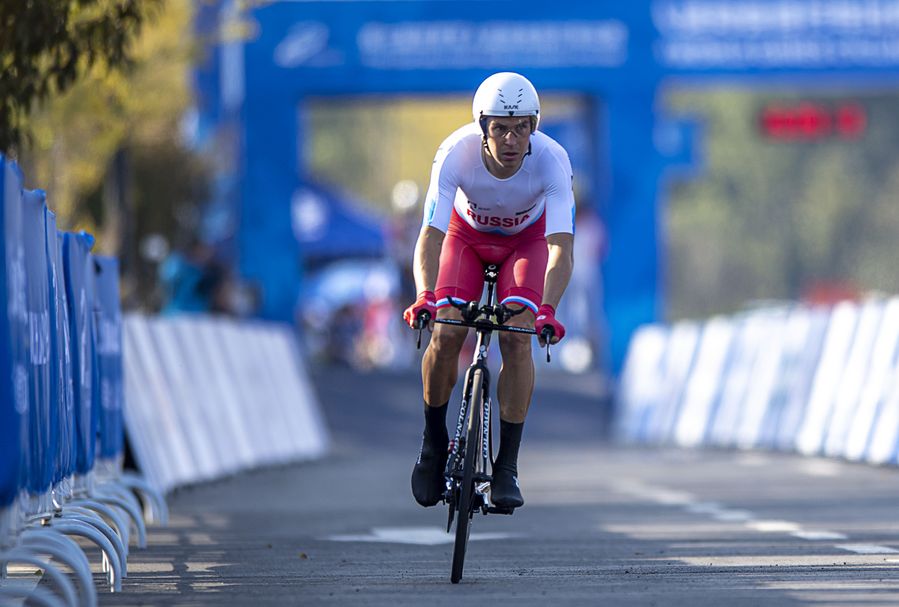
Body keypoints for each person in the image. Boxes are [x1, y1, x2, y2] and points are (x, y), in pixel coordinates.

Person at [402, 72, 575, 509]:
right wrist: (424, 296)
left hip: (525, 243)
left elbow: (560, 248)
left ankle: (506, 466)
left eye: (521, 128)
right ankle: (433, 442)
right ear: (482, 127)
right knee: (447, 332)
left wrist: (548, 309)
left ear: (534, 127)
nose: (511, 140)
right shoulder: (455, 153)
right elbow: (430, 236)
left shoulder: (553, 160)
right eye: (500, 128)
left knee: (517, 340)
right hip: (465, 238)